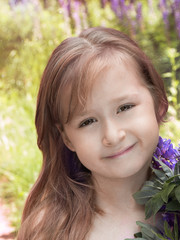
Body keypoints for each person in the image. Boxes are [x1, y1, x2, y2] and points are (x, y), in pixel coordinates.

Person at [17, 27, 168, 240]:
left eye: (124, 108)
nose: (113, 136)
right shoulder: (50, 231)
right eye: (88, 121)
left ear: (158, 102)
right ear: (67, 137)